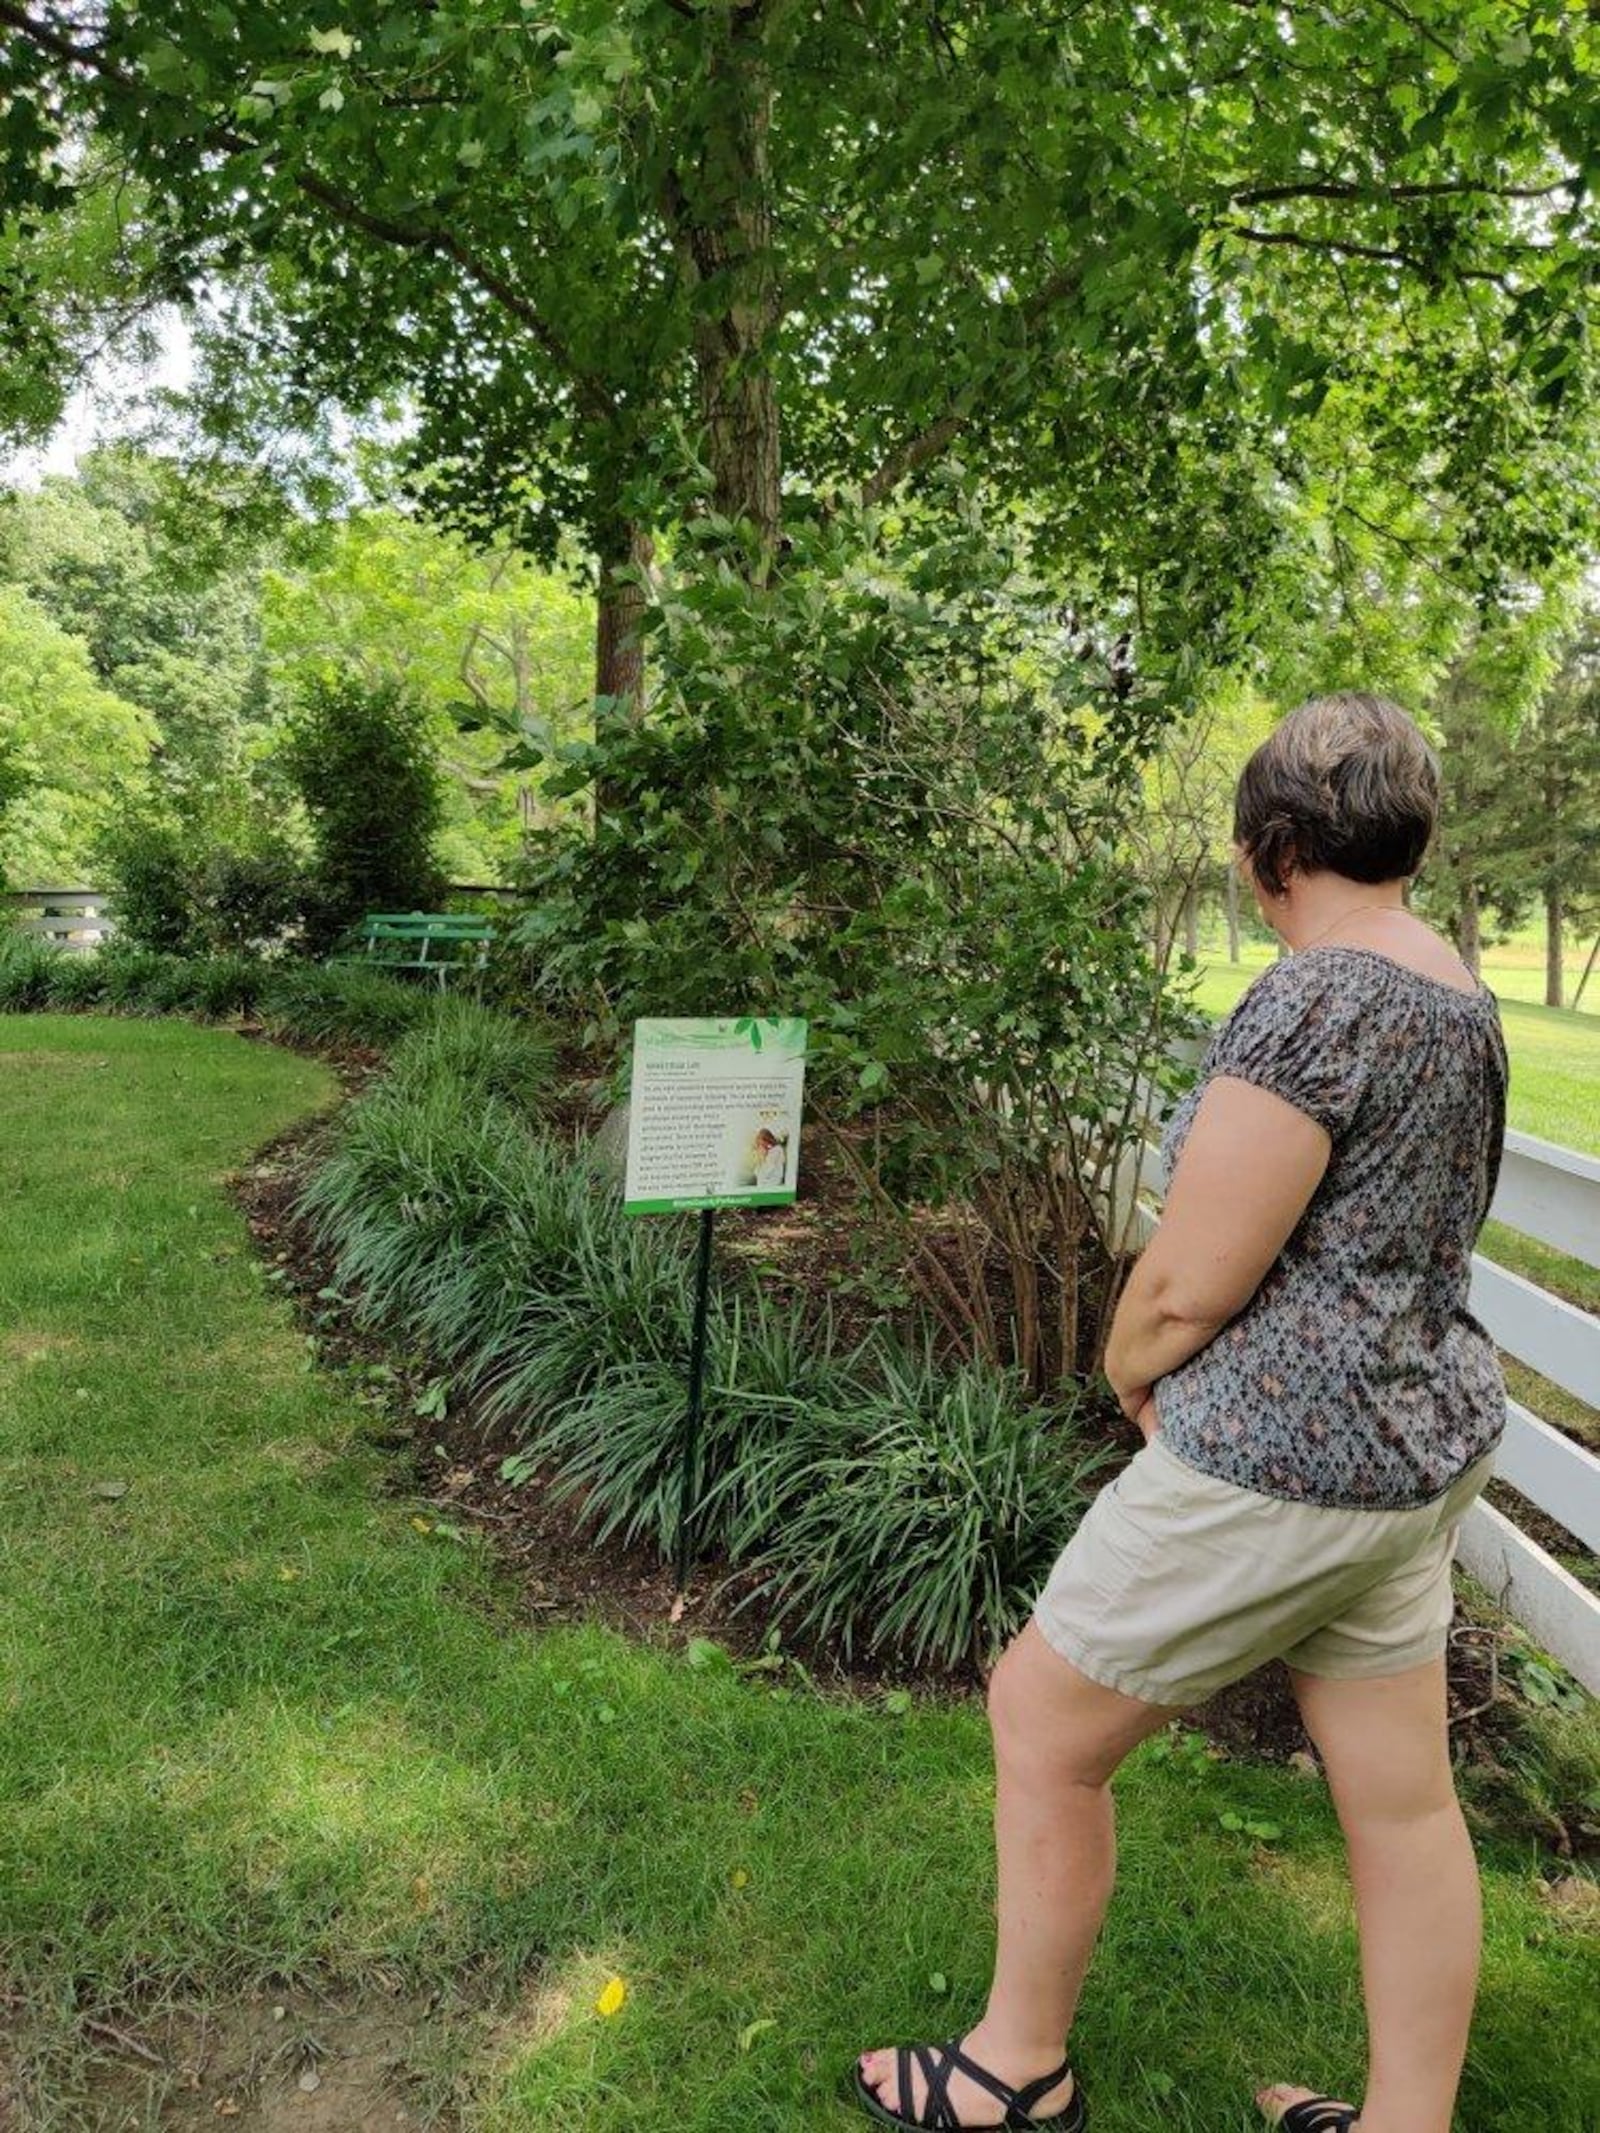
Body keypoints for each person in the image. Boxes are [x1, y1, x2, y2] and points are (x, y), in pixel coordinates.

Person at [854, 694, 1508, 2133]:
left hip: (1281, 1458)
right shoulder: (1457, 988)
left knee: (1040, 1713)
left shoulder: (1316, 993)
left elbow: (1192, 1277)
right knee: (1401, 1802)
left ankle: (1014, 2069)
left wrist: (1128, 1363)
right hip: (1417, 1453)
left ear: (1274, 848)